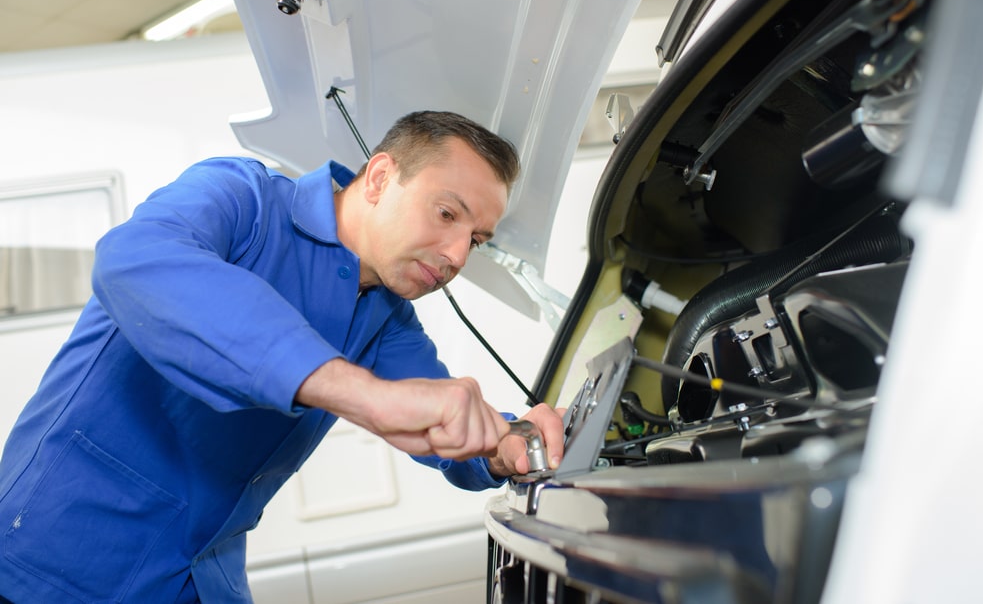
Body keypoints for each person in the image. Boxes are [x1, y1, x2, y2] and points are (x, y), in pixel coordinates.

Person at [0, 110, 565, 603]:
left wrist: (507, 446)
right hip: (51, 562)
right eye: (447, 215)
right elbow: (134, 260)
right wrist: (360, 392)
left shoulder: (388, 320)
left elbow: (449, 430)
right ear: (380, 177)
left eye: (478, 239)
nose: (458, 254)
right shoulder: (243, 200)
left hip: (198, 580)